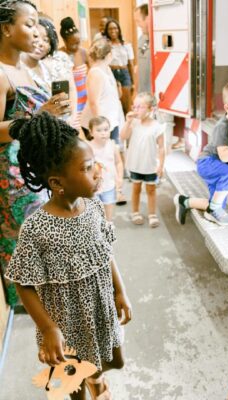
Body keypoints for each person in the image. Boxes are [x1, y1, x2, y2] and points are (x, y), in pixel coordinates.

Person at [5, 112, 132, 400]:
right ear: (57, 182)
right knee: (71, 380)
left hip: (99, 312)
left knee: (100, 361)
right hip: (66, 324)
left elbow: (104, 252)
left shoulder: (94, 206)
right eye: (87, 168)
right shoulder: (37, 228)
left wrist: (120, 290)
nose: (97, 171)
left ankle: (97, 381)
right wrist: (49, 329)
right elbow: (23, 284)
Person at [0, 0, 71, 305]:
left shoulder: (26, 66)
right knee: (26, 241)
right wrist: (37, 117)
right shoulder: (2, 73)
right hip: (16, 176)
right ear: (5, 29)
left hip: (37, 168)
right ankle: (30, 305)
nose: (36, 30)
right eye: (28, 24)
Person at [174, 80, 228, 226]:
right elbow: (224, 155)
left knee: (216, 203)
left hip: (220, 166)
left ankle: (184, 201)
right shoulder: (223, 127)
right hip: (208, 162)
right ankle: (212, 212)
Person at [81, 38, 127, 206]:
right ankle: (98, 193)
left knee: (112, 155)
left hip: (111, 121)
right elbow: (94, 102)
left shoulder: (105, 69)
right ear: (108, 54)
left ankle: (116, 189)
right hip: (99, 124)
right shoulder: (95, 72)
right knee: (101, 157)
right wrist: (99, 127)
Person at [21, 16, 78, 128]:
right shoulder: (17, 70)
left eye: (46, 40)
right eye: (36, 36)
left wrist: (71, 117)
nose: (40, 43)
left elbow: (69, 91)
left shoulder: (47, 67)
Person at [120, 92, 165, 228]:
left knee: (151, 190)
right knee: (136, 189)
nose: (136, 110)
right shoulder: (133, 122)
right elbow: (123, 136)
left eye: (140, 107)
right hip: (135, 164)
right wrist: (127, 122)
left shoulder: (157, 126)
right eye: (135, 106)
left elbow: (161, 148)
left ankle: (152, 214)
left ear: (150, 109)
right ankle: (135, 212)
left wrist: (161, 166)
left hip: (150, 165)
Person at [87, 116, 124, 221]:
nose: (103, 133)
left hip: (109, 184)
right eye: (98, 130)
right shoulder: (88, 147)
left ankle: (108, 225)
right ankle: (96, 229)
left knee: (108, 206)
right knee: (94, 211)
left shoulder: (112, 145)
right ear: (91, 132)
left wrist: (120, 177)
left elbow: (118, 162)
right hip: (93, 186)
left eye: (106, 129)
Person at [59, 17, 89, 127]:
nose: (77, 46)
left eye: (78, 42)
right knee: (73, 128)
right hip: (72, 101)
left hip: (86, 100)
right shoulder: (60, 55)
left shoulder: (83, 52)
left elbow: (91, 74)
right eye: (73, 44)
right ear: (65, 42)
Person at [104, 18, 134, 115]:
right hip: (111, 74)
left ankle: (128, 124)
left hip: (124, 73)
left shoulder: (126, 45)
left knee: (127, 104)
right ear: (107, 31)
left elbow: (131, 64)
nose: (113, 31)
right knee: (114, 104)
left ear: (119, 29)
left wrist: (133, 82)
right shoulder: (105, 45)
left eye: (115, 28)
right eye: (110, 29)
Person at [133, 4, 150, 94]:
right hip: (142, 94)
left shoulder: (159, 42)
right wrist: (135, 91)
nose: (138, 25)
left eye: (138, 21)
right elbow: (138, 67)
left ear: (148, 19)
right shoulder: (141, 39)